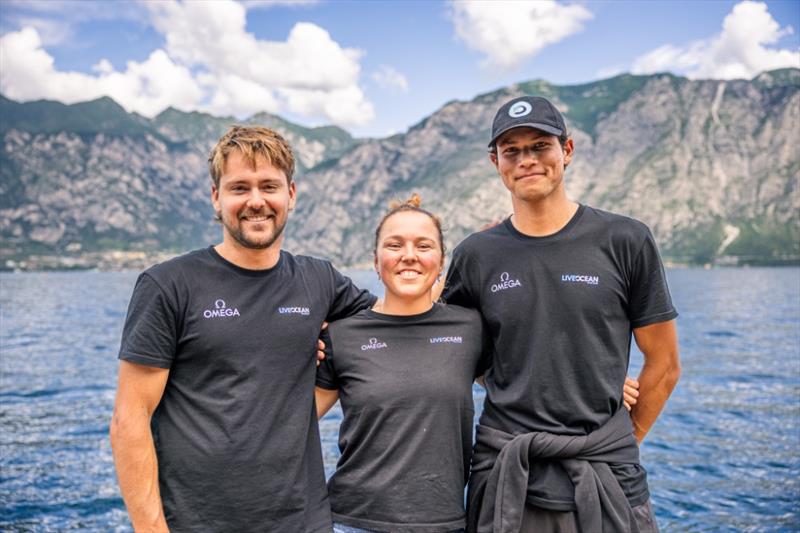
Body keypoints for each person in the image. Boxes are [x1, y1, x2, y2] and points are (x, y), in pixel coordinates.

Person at [314, 195, 641, 533]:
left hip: (447, 523)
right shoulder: (343, 335)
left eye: (423, 246)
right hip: (353, 521)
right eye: (394, 245)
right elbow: (295, 422)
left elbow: (522, 370)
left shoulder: (468, 328)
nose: (408, 256)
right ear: (376, 259)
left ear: (442, 262)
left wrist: (594, 379)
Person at [109, 125, 376, 532]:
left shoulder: (319, 280)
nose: (256, 201)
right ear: (217, 198)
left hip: (303, 522)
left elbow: (391, 325)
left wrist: (328, 354)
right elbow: (130, 419)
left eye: (269, 185)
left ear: (291, 194)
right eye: (239, 188)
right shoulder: (168, 285)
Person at [443, 96, 681, 532]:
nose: (527, 159)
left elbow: (664, 364)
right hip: (506, 477)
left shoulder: (625, 240)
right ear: (496, 161)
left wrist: (622, 439)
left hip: (607, 477)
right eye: (512, 150)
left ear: (566, 151)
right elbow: (454, 357)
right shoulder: (475, 256)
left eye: (540, 145)